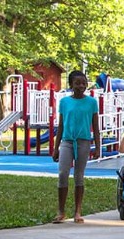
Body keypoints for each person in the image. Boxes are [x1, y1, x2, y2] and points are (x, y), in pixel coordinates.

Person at [51, 71, 98, 224]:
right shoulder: (64, 102)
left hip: (83, 141)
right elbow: (61, 126)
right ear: (71, 85)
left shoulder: (92, 102)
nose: (81, 86)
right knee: (63, 173)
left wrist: (98, 147)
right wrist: (55, 147)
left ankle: (77, 211)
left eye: (84, 83)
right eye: (77, 83)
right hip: (67, 141)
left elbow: (95, 127)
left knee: (79, 175)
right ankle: (61, 211)